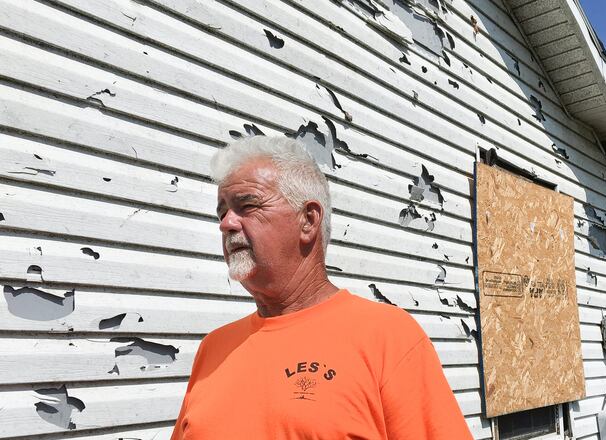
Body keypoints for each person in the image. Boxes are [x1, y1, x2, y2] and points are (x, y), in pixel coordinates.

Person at [171, 135, 471, 439]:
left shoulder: (388, 338)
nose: (226, 224)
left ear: (308, 221)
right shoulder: (214, 349)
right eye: (222, 212)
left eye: (247, 205)